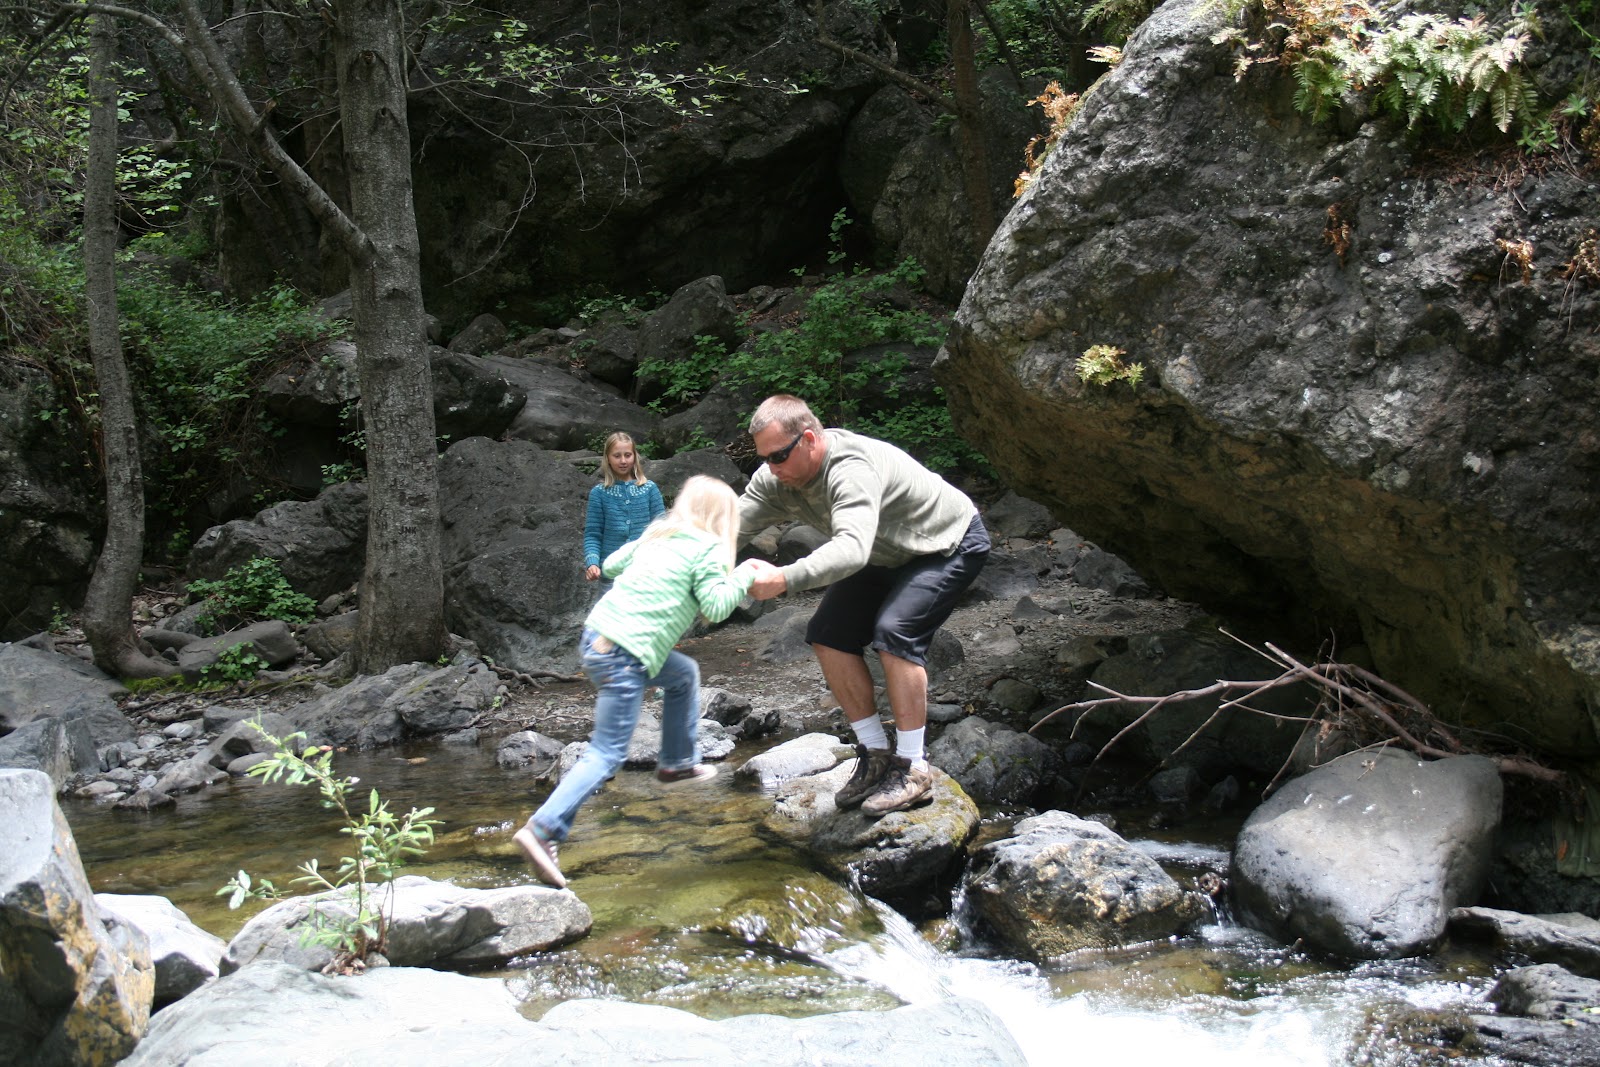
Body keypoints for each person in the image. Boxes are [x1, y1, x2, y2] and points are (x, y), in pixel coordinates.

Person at [515, 475, 773, 888]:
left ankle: (676, 762)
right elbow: (715, 606)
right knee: (606, 754)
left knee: (683, 674)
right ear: (725, 520)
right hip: (626, 654)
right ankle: (543, 829)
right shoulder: (708, 548)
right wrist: (743, 575)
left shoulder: (657, 535)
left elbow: (611, 565)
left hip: (598, 641)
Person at [737, 395, 989, 817]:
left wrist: (783, 578)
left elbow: (851, 550)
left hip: (947, 544)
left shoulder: (850, 468)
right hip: (884, 553)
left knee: (895, 633)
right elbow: (724, 527)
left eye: (778, 455)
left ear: (810, 440)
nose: (771, 467)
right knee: (828, 635)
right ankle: (875, 754)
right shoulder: (775, 478)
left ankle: (913, 767)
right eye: (763, 457)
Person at [583, 431, 665, 583]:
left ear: (634, 456)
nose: (623, 461)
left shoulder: (649, 489)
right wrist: (592, 563)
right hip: (610, 576)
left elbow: (662, 532)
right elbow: (593, 534)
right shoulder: (599, 493)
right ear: (608, 458)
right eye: (617, 456)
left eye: (628, 455)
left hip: (645, 575)